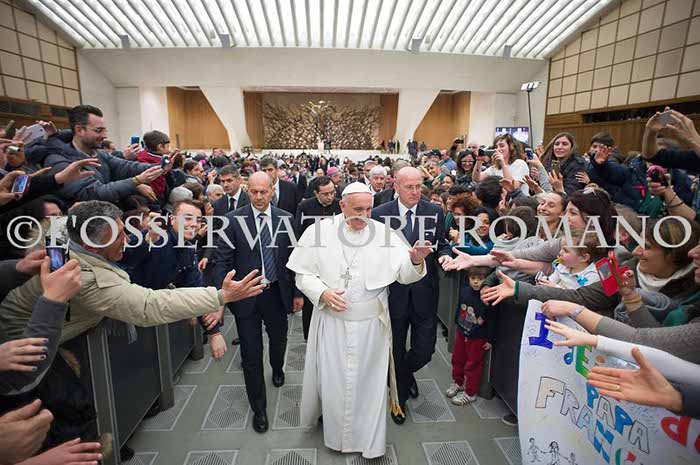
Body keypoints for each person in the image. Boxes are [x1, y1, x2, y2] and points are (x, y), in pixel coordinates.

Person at [287, 181, 432, 459]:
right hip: (333, 323)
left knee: (369, 385)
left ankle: (370, 442)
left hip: (371, 327)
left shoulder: (384, 234)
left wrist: (415, 261)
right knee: (334, 382)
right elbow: (302, 275)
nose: (364, 216)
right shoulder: (318, 232)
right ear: (342, 206)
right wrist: (322, 292)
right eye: (357, 210)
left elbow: (404, 275)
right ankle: (336, 437)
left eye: (368, 209)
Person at [211, 172, 303, 434]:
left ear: (272, 190)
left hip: (276, 294)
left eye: (264, 191)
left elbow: (295, 259)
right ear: (247, 190)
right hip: (246, 296)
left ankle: (277, 367)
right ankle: (259, 409)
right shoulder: (232, 220)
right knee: (250, 355)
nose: (259, 197)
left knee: (279, 340)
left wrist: (297, 293)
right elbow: (221, 261)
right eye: (254, 192)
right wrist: (222, 296)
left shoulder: (286, 218)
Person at [371, 167, 451, 422]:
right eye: (409, 187)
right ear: (396, 186)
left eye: (419, 186)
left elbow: (441, 243)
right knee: (394, 349)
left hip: (425, 293)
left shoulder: (434, 211)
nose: (416, 192)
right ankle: (399, 399)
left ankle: (403, 375)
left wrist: (445, 255)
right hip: (393, 293)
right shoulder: (379, 214)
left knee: (424, 350)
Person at [119, 199, 228, 361]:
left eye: (198, 220)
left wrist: (214, 333)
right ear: (172, 219)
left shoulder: (187, 249)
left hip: (147, 312)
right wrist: (148, 239)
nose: (194, 224)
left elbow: (196, 289)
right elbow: (123, 255)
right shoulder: (155, 236)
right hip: (120, 312)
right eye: (187, 218)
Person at [40, 105, 166, 203]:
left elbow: (126, 167)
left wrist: (161, 166)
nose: (104, 136)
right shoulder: (59, 160)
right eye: (98, 130)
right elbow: (95, 193)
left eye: (105, 130)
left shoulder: (100, 154)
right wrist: (137, 181)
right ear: (79, 130)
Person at [294, 176, 342, 339]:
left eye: (332, 192)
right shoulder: (305, 206)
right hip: (313, 262)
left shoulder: (339, 205)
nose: (330, 197)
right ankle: (311, 338)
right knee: (311, 301)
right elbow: (298, 235)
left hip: (335, 261)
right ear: (316, 193)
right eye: (325, 194)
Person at [446, 266, 495, 405]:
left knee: (473, 365)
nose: (476, 282)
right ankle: (458, 382)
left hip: (478, 337)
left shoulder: (488, 297)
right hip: (462, 332)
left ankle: (470, 392)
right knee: (457, 358)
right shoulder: (465, 291)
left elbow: (493, 319)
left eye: (480, 279)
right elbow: (459, 306)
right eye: (473, 278)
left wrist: (490, 339)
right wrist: (456, 322)